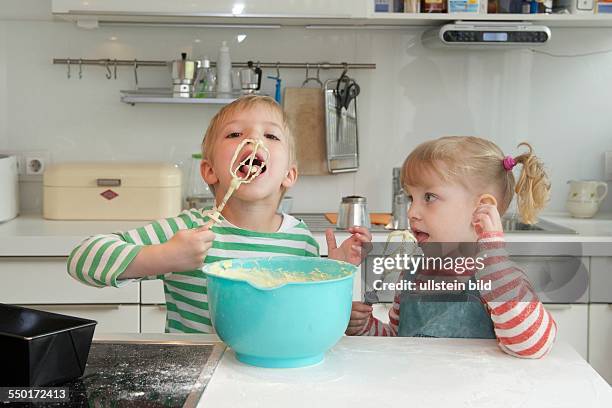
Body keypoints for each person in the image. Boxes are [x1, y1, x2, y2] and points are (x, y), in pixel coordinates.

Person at [67, 95, 371, 333]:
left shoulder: (300, 242)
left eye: (271, 136)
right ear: (210, 171)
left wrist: (334, 279)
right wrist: (164, 257)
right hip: (193, 378)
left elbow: (302, 317)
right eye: (236, 133)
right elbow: (83, 258)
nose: (254, 141)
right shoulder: (187, 233)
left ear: (289, 175)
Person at [347, 136, 556, 359]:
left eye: (428, 197)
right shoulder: (412, 274)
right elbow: (400, 341)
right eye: (411, 198)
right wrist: (366, 328)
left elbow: (533, 346)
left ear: (481, 208)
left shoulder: (500, 277)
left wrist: (495, 261)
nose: (412, 212)